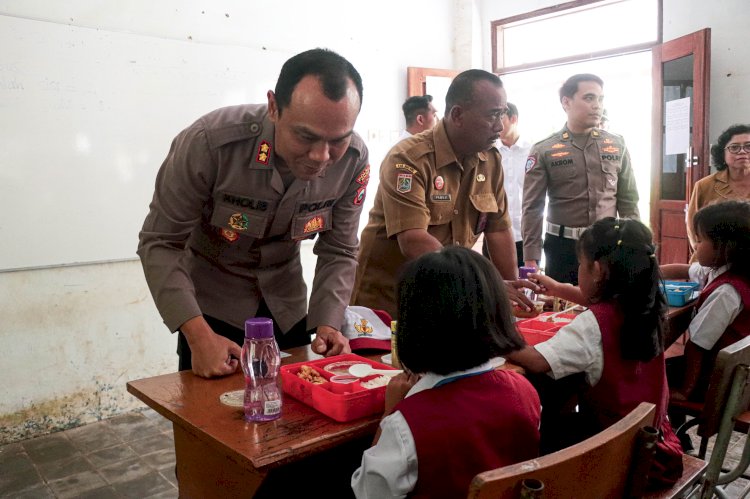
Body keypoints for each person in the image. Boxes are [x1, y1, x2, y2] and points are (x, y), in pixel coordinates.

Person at [138, 48, 369, 378]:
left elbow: (340, 249)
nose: (321, 156)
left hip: (287, 310)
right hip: (212, 314)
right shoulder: (210, 144)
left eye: (338, 140)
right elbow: (160, 242)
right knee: (209, 423)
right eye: (306, 137)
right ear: (274, 107)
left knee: (294, 418)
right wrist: (198, 336)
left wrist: (329, 322)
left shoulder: (353, 161)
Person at [351, 246, 541, 498]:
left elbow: (368, 492)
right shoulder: (526, 391)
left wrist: (389, 413)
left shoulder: (406, 423)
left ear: (414, 328)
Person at [506, 218, 682, 485]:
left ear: (597, 270)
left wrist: (492, 332)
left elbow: (536, 361)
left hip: (619, 456)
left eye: (581, 264)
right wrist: (558, 288)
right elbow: (597, 299)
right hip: (652, 443)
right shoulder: (647, 306)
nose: (578, 271)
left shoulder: (594, 325)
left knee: (540, 431)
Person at [351, 69, 536, 318]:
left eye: (502, 114)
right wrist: (483, 284)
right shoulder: (408, 159)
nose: (500, 126)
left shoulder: (490, 159)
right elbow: (413, 240)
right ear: (457, 115)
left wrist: (511, 293)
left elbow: (499, 230)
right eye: (493, 115)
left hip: (449, 296)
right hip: (392, 303)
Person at [522, 73, 640, 284]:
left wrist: (636, 243)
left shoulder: (616, 144)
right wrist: (531, 258)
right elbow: (532, 208)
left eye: (600, 99)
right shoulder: (544, 149)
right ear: (566, 102)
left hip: (608, 245)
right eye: (589, 98)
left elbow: (628, 200)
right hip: (563, 248)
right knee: (561, 310)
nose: (597, 106)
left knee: (608, 308)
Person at [662, 200, 750, 402]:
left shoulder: (726, 292)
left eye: (700, 241)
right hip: (734, 376)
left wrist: (686, 391)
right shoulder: (727, 270)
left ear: (724, 247)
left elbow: (697, 346)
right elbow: (685, 269)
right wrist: (650, 273)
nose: (695, 247)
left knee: (648, 378)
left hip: (715, 383)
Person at [686, 124, 750, 260]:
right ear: (723, 153)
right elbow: (693, 226)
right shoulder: (704, 185)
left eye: (748, 146)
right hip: (712, 260)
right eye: (734, 147)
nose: (743, 152)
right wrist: (705, 255)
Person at [482, 102, 531, 266]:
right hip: (494, 233)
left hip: (526, 235)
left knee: (526, 285)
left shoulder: (532, 151)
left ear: (514, 119)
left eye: (500, 118)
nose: (496, 125)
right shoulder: (487, 153)